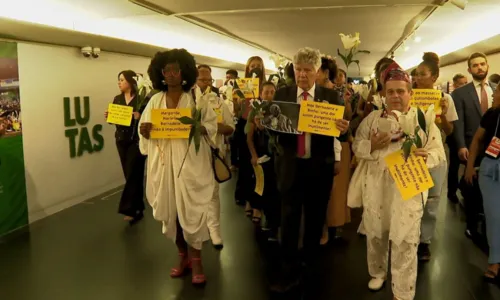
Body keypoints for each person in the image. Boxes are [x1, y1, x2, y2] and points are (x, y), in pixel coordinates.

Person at [349, 61, 446, 300]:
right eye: (390, 91)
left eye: (400, 91)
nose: (395, 96)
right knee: (376, 232)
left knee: (406, 236)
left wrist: (426, 156)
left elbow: (438, 153)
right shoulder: (372, 118)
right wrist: (371, 145)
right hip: (376, 184)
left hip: (409, 186)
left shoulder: (423, 119)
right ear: (383, 94)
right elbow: (356, 145)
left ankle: (403, 290)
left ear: (410, 93)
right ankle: (378, 272)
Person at [270, 47, 349, 292]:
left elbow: (341, 135)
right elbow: (274, 132)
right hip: (291, 167)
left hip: (319, 168)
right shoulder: (283, 93)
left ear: (317, 72)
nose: (302, 75)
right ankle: (288, 271)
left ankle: (312, 269)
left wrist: (343, 129)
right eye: (298, 69)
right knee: (289, 220)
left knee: (316, 221)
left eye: (307, 70)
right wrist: (267, 122)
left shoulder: (331, 97)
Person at [138, 49, 217, 286]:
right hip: (164, 166)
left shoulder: (196, 99)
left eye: (175, 69)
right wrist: (145, 131)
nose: (171, 74)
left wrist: (202, 129)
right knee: (171, 214)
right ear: (160, 73)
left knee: (192, 213)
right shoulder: (155, 100)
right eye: (166, 70)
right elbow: (145, 133)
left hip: (190, 165)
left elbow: (211, 125)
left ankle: (198, 260)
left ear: (184, 71)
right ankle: (183, 257)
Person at [413, 52, 458, 261]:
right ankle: (409, 236)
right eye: (416, 74)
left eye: (422, 74)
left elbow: (449, 131)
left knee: (431, 201)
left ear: (434, 77)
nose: (417, 78)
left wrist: (442, 117)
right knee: (412, 198)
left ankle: (425, 241)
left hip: (436, 156)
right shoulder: (409, 97)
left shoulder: (445, 99)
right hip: (413, 155)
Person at [452, 52, 497, 238]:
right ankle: (471, 224)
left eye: (482, 64)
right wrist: (461, 145)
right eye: (475, 65)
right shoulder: (460, 93)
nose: (479, 68)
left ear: (487, 66)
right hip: (472, 147)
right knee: (472, 186)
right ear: (469, 69)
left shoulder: (496, 89)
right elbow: (458, 122)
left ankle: (488, 223)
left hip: (495, 149)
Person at [464, 83, 500, 282]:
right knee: (494, 217)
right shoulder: (491, 115)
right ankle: (494, 262)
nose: (493, 94)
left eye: (497, 91)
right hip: (489, 169)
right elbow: (477, 140)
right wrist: (470, 166)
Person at [194, 80, 235, 249]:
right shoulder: (187, 102)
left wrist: (214, 127)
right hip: (192, 157)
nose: (204, 83)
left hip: (213, 153)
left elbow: (231, 128)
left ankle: (214, 230)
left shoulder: (219, 103)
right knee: (193, 194)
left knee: (213, 193)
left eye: (207, 79)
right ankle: (198, 228)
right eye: (201, 79)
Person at [104, 70, 147, 224]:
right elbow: (114, 119)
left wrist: (140, 116)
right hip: (122, 140)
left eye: (122, 79)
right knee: (130, 174)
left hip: (136, 141)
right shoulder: (117, 99)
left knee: (133, 174)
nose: (119, 82)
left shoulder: (142, 99)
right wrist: (109, 116)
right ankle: (139, 208)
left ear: (130, 81)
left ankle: (129, 209)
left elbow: (149, 118)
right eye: (118, 80)